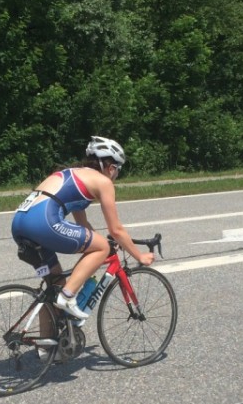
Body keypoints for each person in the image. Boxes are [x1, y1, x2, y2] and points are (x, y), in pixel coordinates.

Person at [11, 136, 155, 320]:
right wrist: (139, 255)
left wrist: (108, 242)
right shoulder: (104, 182)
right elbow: (116, 229)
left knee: (55, 286)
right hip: (43, 222)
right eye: (118, 170)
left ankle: (47, 347)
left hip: (19, 223)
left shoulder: (72, 173)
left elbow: (83, 226)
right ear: (111, 168)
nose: (116, 175)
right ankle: (68, 296)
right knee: (102, 247)